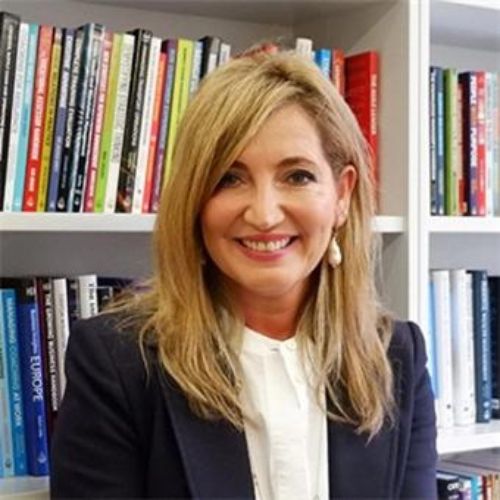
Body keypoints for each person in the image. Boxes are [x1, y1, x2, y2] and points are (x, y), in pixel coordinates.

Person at [51, 49, 437, 499]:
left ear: (342, 196)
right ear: (194, 200)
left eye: (297, 176)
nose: (264, 214)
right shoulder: (117, 364)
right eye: (229, 179)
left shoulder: (397, 358)